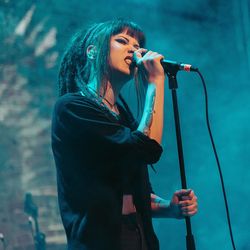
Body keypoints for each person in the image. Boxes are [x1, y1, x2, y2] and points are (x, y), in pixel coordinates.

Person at [51, 19, 198, 250]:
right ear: (92, 52)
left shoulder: (122, 116)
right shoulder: (72, 108)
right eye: (122, 40)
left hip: (139, 234)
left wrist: (169, 207)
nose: (134, 49)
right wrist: (156, 82)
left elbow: (132, 194)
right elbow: (146, 149)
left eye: (138, 44)